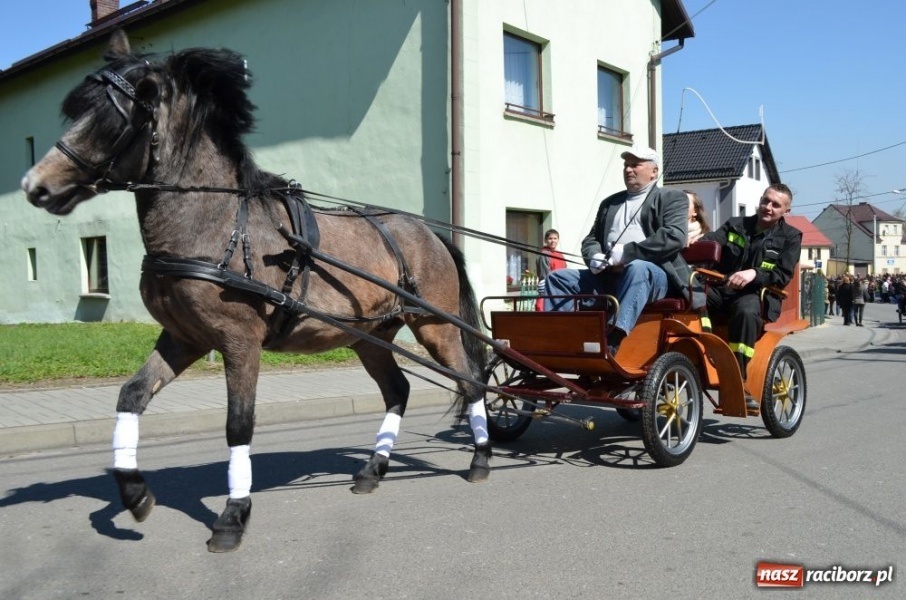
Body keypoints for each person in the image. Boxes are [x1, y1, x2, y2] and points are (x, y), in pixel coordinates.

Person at [544, 146, 698, 354]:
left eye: (635, 165)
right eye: (626, 165)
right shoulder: (610, 203)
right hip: (608, 276)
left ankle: (614, 337)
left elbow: (674, 237)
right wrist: (594, 256)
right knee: (557, 279)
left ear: (654, 171)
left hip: (655, 276)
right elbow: (590, 239)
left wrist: (626, 253)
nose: (628, 169)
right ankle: (560, 340)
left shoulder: (671, 197)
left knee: (637, 267)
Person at [700, 183, 802, 403]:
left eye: (776, 205)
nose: (768, 207)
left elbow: (783, 274)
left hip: (756, 295)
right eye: (766, 200)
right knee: (693, 296)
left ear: (786, 211)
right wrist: (692, 245)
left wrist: (754, 274)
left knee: (746, 311)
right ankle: (701, 349)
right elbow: (711, 242)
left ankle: (738, 376)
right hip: (721, 289)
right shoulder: (736, 224)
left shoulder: (791, 237)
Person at [535, 229, 567, 311]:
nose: (553, 241)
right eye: (550, 238)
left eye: (555, 238)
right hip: (550, 293)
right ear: (545, 240)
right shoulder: (544, 254)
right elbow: (544, 278)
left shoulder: (560, 255)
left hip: (561, 291)